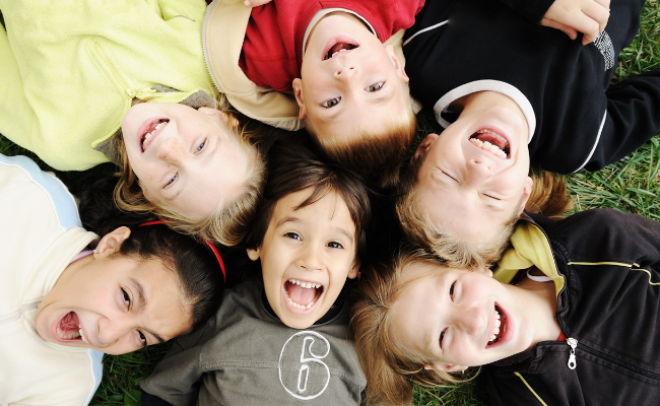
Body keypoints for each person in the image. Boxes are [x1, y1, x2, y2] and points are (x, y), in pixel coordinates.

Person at [397, 0, 660, 268]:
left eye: (449, 176)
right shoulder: (579, 144)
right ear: (523, 193)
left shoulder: (426, 55)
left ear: (425, 149)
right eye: (492, 197)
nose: (479, 170)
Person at [0, 0, 268, 246]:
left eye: (171, 180)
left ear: (147, 193)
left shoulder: (62, 143)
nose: (168, 149)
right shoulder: (197, 54)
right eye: (200, 146)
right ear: (218, 117)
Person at [139, 139, 370, 405]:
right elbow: (164, 392)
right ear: (256, 243)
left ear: (354, 264)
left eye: (334, 244)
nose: (311, 260)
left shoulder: (365, 339)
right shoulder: (220, 317)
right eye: (293, 235)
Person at [352, 208, 660, 406]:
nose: (473, 320)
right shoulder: (522, 399)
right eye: (443, 336)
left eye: (454, 290)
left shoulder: (595, 241)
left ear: (473, 266)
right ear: (448, 365)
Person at [0, 153, 225, 406]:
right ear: (111, 244)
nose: (107, 336)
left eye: (142, 337)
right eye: (126, 298)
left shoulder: (68, 389)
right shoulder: (28, 197)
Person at [203, 0, 423, 187]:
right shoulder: (397, 4)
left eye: (332, 102)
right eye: (375, 87)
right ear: (395, 63)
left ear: (301, 96)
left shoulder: (261, 56)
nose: (347, 76)